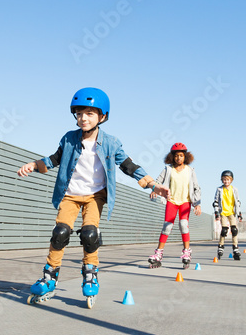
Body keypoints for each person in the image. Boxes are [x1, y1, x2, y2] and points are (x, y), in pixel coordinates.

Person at [17, 88, 167, 308]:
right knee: (60, 233)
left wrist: (152, 183)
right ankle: (49, 277)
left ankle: (90, 275)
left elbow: (128, 166)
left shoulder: (111, 142)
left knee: (89, 234)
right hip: (70, 195)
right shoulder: (69, 138)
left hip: (95, 197)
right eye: (79, 113)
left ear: (102, 116)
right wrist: (34, 165)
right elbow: (54, 159)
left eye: (89, 113)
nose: (83, 118)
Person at [148, 143, 202, 269]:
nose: (179, 158)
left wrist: (197, 204)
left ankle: (187, 252)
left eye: (181, 156)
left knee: (183, 224)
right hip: (171, 201)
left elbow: (196, 188)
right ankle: (158, 254)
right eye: (176, 156)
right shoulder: (168, 169)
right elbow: (158, 181)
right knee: (167, 226)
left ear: (186, 157)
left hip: (185, 201)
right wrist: (154, 190)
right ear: (172, 157)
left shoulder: (190, 171)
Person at [213, 170, 243, 261]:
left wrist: (239, 214)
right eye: (224, 179)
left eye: (228, 180)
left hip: (231, 213)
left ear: (231, 180)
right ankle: (221, 246)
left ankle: (235, 248)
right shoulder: (219, 189)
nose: (226, 181)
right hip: (223, 213)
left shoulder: (235, 190)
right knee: (224, 230)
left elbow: (237, 202)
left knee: (234, 230)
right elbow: (215, 202)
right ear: (222, 180)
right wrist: (216, 213)